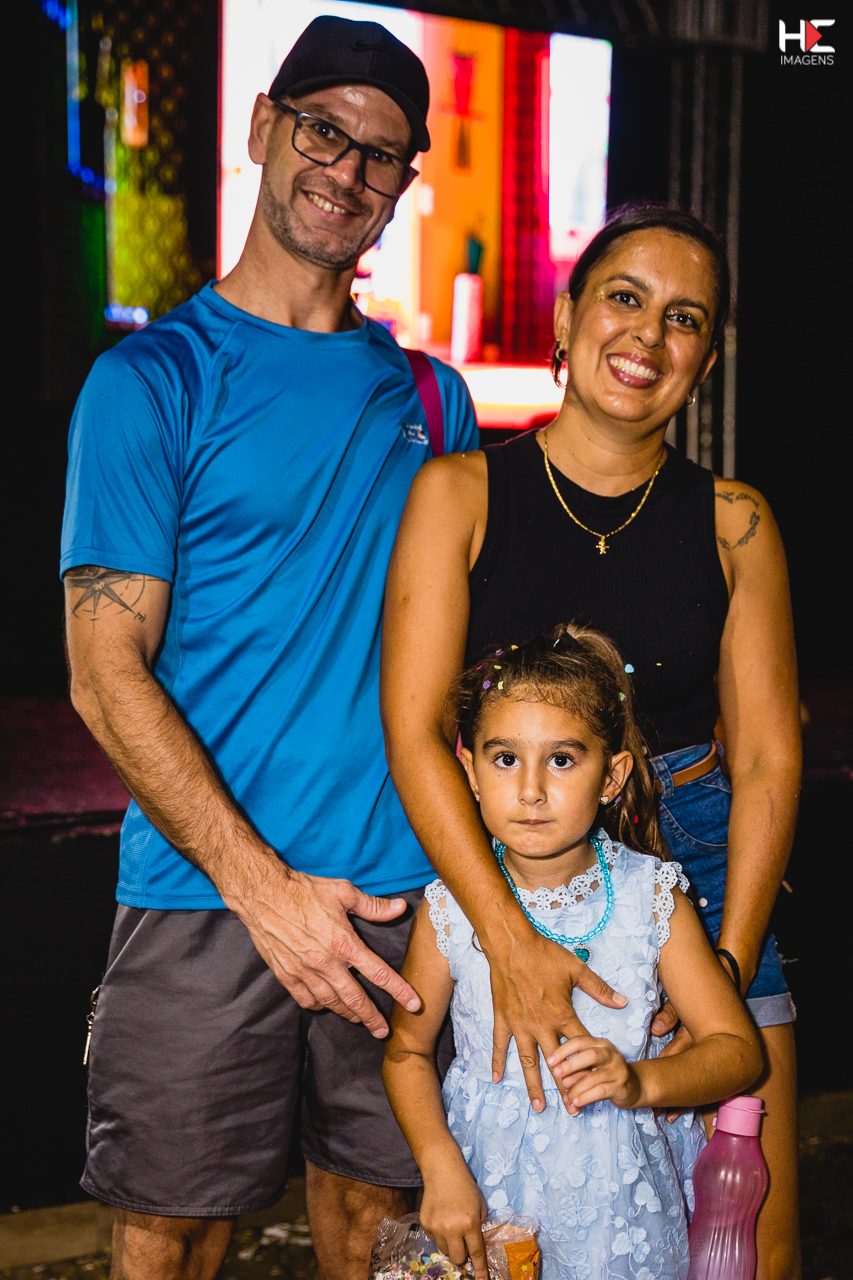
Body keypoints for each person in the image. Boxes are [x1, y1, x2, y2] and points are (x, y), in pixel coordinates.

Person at [60, 16, 478, 1280]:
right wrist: (265, 891)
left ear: (403, 185)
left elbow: (457, 658)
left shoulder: (434, 400)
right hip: (206, 896)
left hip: (402, 897)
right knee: (172, 1237)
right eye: (321, 132)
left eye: (379, 154)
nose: (345, 170)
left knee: (381, 1231)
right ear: (260, 128)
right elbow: (104, 674)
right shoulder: (152, 382)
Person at [381, 202, 802, 1279]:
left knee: (746, 1240)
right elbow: (416, 732)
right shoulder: (459, 493)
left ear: (706, 359)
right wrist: (506, 938)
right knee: (529, 1216)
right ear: (566, 318)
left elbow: (766, 759)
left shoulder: (736, 520)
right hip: (509, 871)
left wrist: (722, 964)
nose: (648, 335)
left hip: (696, 864)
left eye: (684, 318)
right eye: (624, 298)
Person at [383, 624, 762, 1280]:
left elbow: (736, 1050)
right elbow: (406, 1053)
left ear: (611, 776)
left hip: (620, 1214)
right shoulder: (450, 909)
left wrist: (642, 1082)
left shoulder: (651, 898)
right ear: (469, 772)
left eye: (561, 760)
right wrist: (439, 1166)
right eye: (505, 759)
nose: (530, 790)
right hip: (489, 1195)